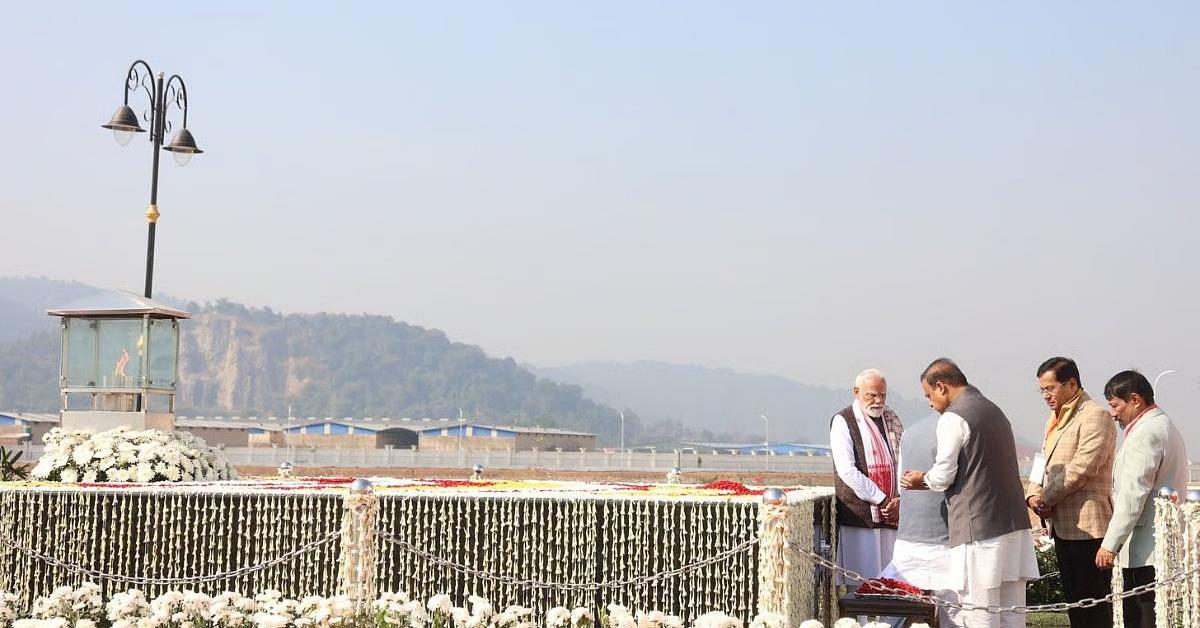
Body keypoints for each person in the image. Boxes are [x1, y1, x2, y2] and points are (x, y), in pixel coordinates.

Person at [901, 358, 1037, 628]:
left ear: (942, 387)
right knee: (1012, 613)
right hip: (1014, 526)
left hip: (980, 530)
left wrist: (920, 479)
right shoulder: (994, 410)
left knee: (979, 612)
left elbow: (942, 476)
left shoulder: (954, 417)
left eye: (929, 395)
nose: (929, 402)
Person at [1025, 357, 1115, 628]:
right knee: (1075, 605)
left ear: (1072, 383)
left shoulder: (1094, 415)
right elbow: (1042, 462)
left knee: (1093, 606)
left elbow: (1082, 468)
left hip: (1088, 527)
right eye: (1042, 390)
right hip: (1061, 526)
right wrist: (1032, 494)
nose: (1046, 395)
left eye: (1050, 388)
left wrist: (1046, 498)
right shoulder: (1053, 420)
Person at [1095, 370, 1189, 628]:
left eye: (1116, 405)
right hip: (1157, 544)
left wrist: (1110, 544)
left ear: (1135, 399)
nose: (1113, 414)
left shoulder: (1147, 433)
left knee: (1141, 618)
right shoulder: (1164, 425)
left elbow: (1132, 495)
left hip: (1144, 548)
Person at [881, 412, 961, 627]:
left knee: (904, 608)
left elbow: (901, 484)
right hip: (949, 537)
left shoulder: (911, 433)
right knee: (954, 612)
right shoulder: (963, 429)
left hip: (911, 534)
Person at [830, 368, 904, 585]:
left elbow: (902, 462)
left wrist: (898, 501)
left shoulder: (891, 420)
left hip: (892, 513)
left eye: (882, 395)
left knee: (892, 583)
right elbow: (847, 470)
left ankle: (890, 620)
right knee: (861, 583)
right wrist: (881, 499)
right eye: (871, 395)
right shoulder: (844, 421)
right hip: (860, 515)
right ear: (856, 392)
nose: (878, 400)